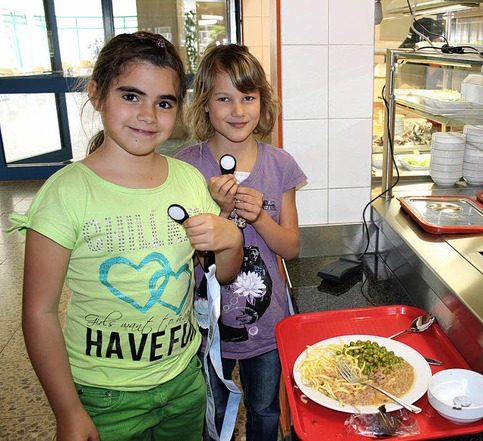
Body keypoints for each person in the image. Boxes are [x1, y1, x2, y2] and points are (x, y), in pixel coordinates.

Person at [7, 32, 242, 441]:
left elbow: (222, 276)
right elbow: (39, 313)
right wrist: (67, 411)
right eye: (131, 96)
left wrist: (231, 241)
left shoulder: (188, 181)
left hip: (183, 380)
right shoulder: (66, 193)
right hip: (103, 394)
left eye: (164, 103)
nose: (148, 116)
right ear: (97, 94)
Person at [175, 43, 307, 441]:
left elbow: (291, 247)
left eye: (248, 98)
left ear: (262, 102)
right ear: (205, 105)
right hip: (204, 325)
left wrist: (258, 216)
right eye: (224, 99)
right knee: (211, 406)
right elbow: (181, 252)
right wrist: (217, 213)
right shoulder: (185, 167)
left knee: (265, 408)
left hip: (267, 325)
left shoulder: (280, 164)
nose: (238, 110)